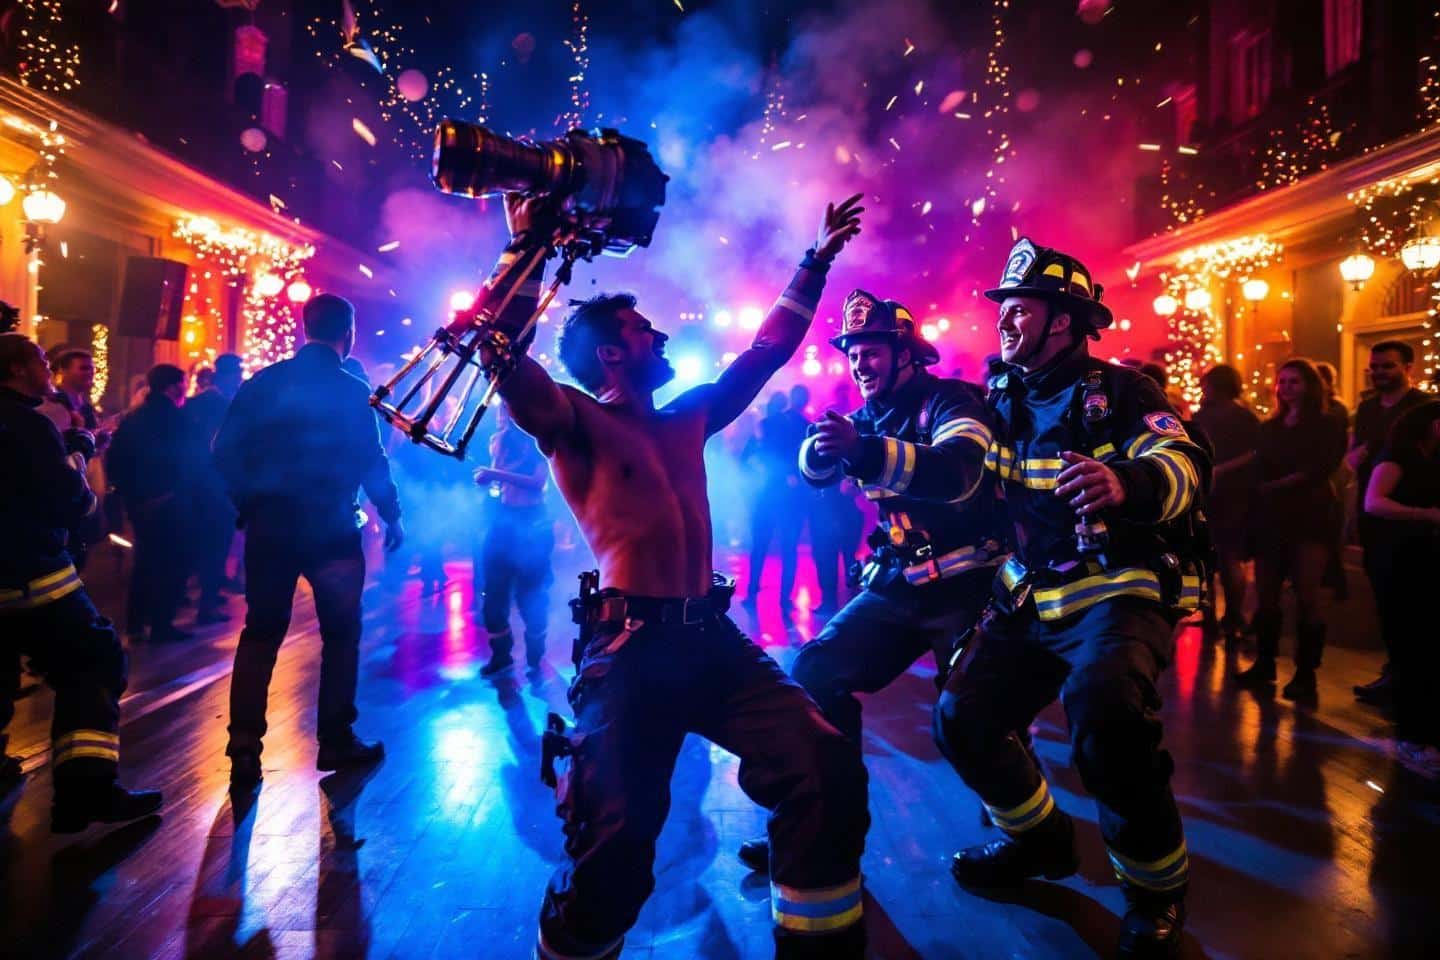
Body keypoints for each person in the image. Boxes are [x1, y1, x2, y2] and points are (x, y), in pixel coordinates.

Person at [483, 192, 867, 960]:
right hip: (630, 648)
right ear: (612, 353)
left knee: (822, 764)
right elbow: (498, 350)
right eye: (641, 328)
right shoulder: (574, 422)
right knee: (614, 841)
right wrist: (523, 248)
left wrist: (814, 260)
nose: (660, 333)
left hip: (710, 639)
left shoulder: (687, 413)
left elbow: (766, 352)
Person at [933, 239, 1210, 959]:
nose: (1003, 323)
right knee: (962, 717)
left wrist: (1127, 484)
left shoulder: (1121, 392)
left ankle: (1154, 895)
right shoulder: (999, 400)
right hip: (1033, 595)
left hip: (1117, 591)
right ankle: (1040, 842)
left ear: (1062, 320)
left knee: (1108, 714)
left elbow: (1184, 461)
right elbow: (961, 475)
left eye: (1018, 309)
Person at [735, 290, 1004, 873]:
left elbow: (957, 473)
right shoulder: (864, 419)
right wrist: (823, 452)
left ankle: (1020, 829)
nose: (860, 363)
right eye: (853, 352)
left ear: (907, 353)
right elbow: (816, 473)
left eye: (873, 350)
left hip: (973, 586)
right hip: (901, 586)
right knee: (813, 675)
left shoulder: (953, 401)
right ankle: (823, 828)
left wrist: (863, 449)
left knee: (974, 719)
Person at [213, 294, 405, 791]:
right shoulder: (352, 391)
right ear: (350, 333)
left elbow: (224, 449)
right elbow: (372, 461)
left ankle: (243, 750)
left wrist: (248, 502)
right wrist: (392, 514)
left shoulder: (264, 383)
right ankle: (337, 738)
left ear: (304, 328)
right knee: (340, 635)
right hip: (333, 530)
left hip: (271, 528)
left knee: (261, 634)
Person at [0, 333, 162, 829]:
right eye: (39, 358)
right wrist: (77, 454)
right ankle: (85, 792)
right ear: (16, 370)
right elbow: (72, 502)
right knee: (95, 660)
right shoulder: (29, 426)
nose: (46, 365)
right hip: (36, 577)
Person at [1234, 358, 1346, 703]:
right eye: (1282, 381)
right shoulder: (1270, 427)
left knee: (1307, 595)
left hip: (1310, 516)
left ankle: (1305, 672)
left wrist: (1275, 486)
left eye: (1294, 381)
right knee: (1267, 593)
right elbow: (1258, 466)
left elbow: (1320, 468)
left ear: (1309, 385)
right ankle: (1265, 663)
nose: (1285, 388)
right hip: (1271, 519)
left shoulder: (1327, 425)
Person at [1362, 401, 1440, 779]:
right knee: (1411, 646)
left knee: (1423, 647)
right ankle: (1412, 736)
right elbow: (1373, 501)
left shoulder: (1432, 457)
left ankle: (1421, 733)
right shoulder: (1398, 456)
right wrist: (1425, 515)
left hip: (1424, 558)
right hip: (1397, 557)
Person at [1348, 340, 1429, 704]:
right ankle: (1394, 673)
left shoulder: (1423, 408)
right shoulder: (1366, 408)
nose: (1379, 373)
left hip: (1411, 514)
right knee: (1384, 597)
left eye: (1388, 366)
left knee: (1414, 599)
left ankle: (1412, 679)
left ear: (1408, 367)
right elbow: (1352, 457)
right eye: (1375, 367)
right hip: (1372, 513)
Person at [106, 363, 193, 643]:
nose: (186, 387)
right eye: (183, 382)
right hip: (169, 500)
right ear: (173, 386)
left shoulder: (134, 417)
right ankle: (161, 624)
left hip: (139, 502)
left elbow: (116, 459)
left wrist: (130, 495)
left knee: (144, 562)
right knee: (170, 563)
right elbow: (186, 461)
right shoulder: (175, 419)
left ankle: (135, 623)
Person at [475, 401, 554, 675]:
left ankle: (535, 649)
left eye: (506, 408)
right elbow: (499, 482)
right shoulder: (498, 440)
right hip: (503, 521)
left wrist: (494, 473)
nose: (500, 414)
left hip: (533, 523)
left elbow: (537, 482)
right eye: (501, 408)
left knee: (529, 594)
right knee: (493, 594)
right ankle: (501, 655)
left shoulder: (539, 440)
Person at [1191, 365, 1259, 645]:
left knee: (1210, 558)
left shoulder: (1202, 417)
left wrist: (1215, 470)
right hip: (1234, 493)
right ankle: (1232, 617)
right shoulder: (1245, 416)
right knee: (1230, 557)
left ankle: (1210, 617)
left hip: (1212, 494)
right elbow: (1255, 453)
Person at [184, 353, 244, 623]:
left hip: (203, 483)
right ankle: (206, 605)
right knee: (215, 544)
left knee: (209, 544)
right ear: (226, 376)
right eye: (237, 374)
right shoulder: (217, 404)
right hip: (215, 485)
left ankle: (207, 595)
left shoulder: (199, 402)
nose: (240, 378)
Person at [742, 390, 807, 620]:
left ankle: (751, 594)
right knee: (789, 548)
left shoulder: (765, 425)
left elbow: (744, 459)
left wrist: (757, 471)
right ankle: (784, 599)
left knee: (759, 546)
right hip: (791, 497)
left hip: (767, 493)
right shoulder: (803, 426)